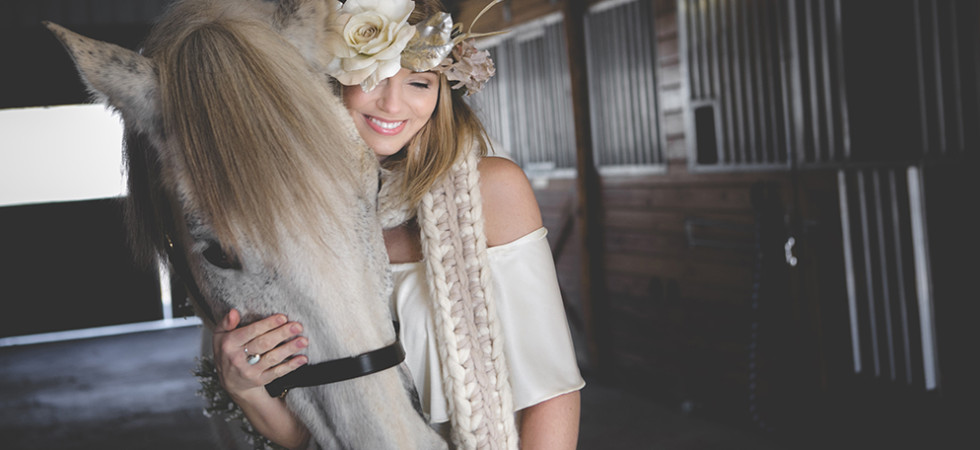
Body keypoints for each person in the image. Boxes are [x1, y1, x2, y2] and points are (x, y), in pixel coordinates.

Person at [208, 1, 584, 448]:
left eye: (419, 82)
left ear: (440, 92)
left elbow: (551, 390)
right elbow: (315, 437)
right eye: (370, 77)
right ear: (326, 82)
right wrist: (246, 388)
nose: (393, 103)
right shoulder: (281, 218)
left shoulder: (494, 190)